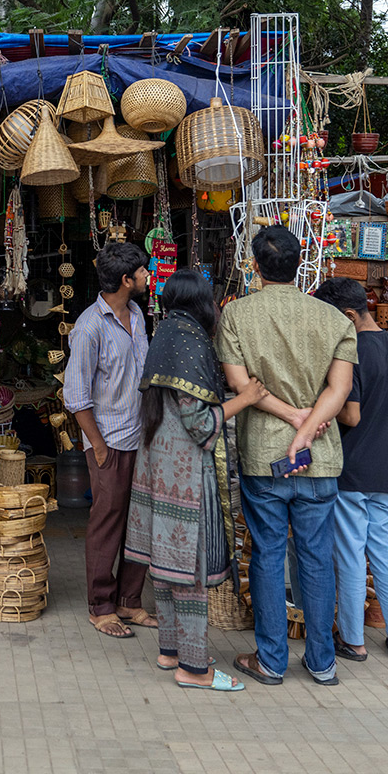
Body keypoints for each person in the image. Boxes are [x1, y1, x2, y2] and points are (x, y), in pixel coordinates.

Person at [215, 226, 356, 686]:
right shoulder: (336, 320)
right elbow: (340, 390)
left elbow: (240, 386)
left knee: (268, 556)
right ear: (302, 263)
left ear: (255, 266)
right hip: (319, 456)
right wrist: (309, 422)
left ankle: (272, 661)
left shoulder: (236, 316)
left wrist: (290, 416)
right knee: (316, 558)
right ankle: (322, 662)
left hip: (264, 456)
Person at [125, 269, 269, 691]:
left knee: (167, 569)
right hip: (184, 477)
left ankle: (170, 651)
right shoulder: (190, 341)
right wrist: (246, 398)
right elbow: (200, 423)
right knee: (189, 573)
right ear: (203, 303)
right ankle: (194, 668)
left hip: (157, 470)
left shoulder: (165, 335)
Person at [313, 277, 388, 663]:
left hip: (354, 467)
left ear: (349, 315)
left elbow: (352, 415)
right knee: (386, 551)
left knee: (352, 554)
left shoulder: (350, 348)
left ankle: (354, 641)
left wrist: (321, 404)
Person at [64, 241, 157, 638]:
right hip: (111, 441)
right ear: (126, 279)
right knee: (108, 522)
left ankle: (129, 601)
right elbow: (76, 396)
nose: (148, 277)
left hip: (141, 438)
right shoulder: (89, 326)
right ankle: (101, 607)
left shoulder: (137, 313)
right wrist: (98, 445)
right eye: (143, 272)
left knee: (139, 521)